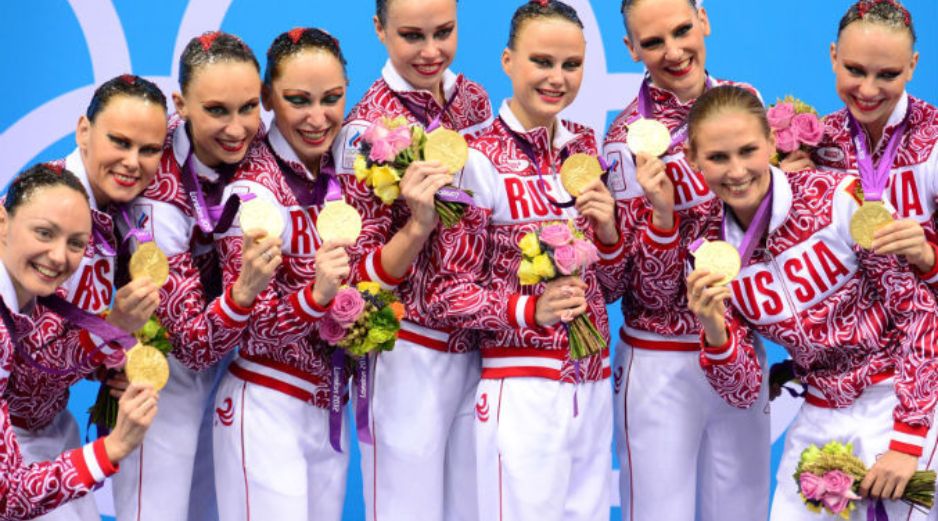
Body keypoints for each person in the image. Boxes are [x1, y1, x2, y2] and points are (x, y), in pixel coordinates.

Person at [674, 85, 938, 520]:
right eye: (718, 158)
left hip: (898, 396)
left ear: (772, 143)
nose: (737, 171)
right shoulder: (704, 250)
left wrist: (907, 443)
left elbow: (920, 314)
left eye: (748, 151)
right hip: (819, 409)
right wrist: (713, 327)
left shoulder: (840, 198)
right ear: (692, 160)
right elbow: (742, 392)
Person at [428, 2, 622, 519]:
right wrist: (529, 312)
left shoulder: (583, 143)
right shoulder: (474, 158)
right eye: (542, 61)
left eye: (571, 65)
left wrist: (607, 232)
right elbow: (448, 293)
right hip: (521, 384)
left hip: (594, 378)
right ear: (508, 60)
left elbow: (608, 276)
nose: (557, 78)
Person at [600, 0, 769, 518]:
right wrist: (663, 215)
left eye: (681, 30)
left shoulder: (750, 104)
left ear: (705, 20)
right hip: (661, 356)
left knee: (740, 510)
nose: (674, 52)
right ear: (631, 49)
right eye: (653, 42)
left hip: (739, 343)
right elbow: (638, 289)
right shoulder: (623, 144)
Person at [331, 1, 493, 519]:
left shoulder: (473, 100)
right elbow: (359, 275)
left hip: (478, 349)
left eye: (444, 32)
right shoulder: (363, 129)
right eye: (412, 36)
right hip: (408, 350)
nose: (431, 51)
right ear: (379, 30)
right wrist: (417, 224)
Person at [115, 31, 276, 521]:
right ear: (180, 104)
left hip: (231, 360)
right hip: (166, 366)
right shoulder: (154, 185)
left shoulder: (262, 148)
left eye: (249, 107)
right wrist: (246, 291)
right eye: (217, 111)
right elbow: (191, 343)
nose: (237, 128)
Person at [3, 74, 166, 521]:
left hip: (55, 427)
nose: (133, 163)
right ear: (83, 132)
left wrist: (111, 361)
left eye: (149, 150)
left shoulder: (119, 209)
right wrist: (110, 330)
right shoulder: (53, 209)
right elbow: (28, 376)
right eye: (119, 141)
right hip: (14, 439)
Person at [210, 27, 356, 521]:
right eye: (298, 100)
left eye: (332, 99)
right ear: (268, 97)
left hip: (330, 404)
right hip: (266, 403)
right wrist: (316, 295)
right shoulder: (250, 188)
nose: (318, 118)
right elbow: (251, 324)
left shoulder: (349, 164)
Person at [808, 0, 938, 292]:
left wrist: (929, 257)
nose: (867, 90)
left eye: (888, 74)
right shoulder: (814, 143)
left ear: (912, 67)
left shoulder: (934, 138)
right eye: (854, 70)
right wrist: (785, 194)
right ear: (833, 57)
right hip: (853, 334)